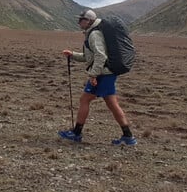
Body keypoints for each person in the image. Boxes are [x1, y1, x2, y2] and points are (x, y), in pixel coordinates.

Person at [58, 9, 137, 145]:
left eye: (81, 20)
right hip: (107, 74)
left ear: (88, 21)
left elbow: (101, 56)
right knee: (112, 104)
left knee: (85, 100)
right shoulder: (93, 33)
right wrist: (72, 54)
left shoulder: (94, 34)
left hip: (103, 74)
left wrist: (93, 75)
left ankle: (76, 133)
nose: (78, 22)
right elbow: (89, 57)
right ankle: (128, 136)